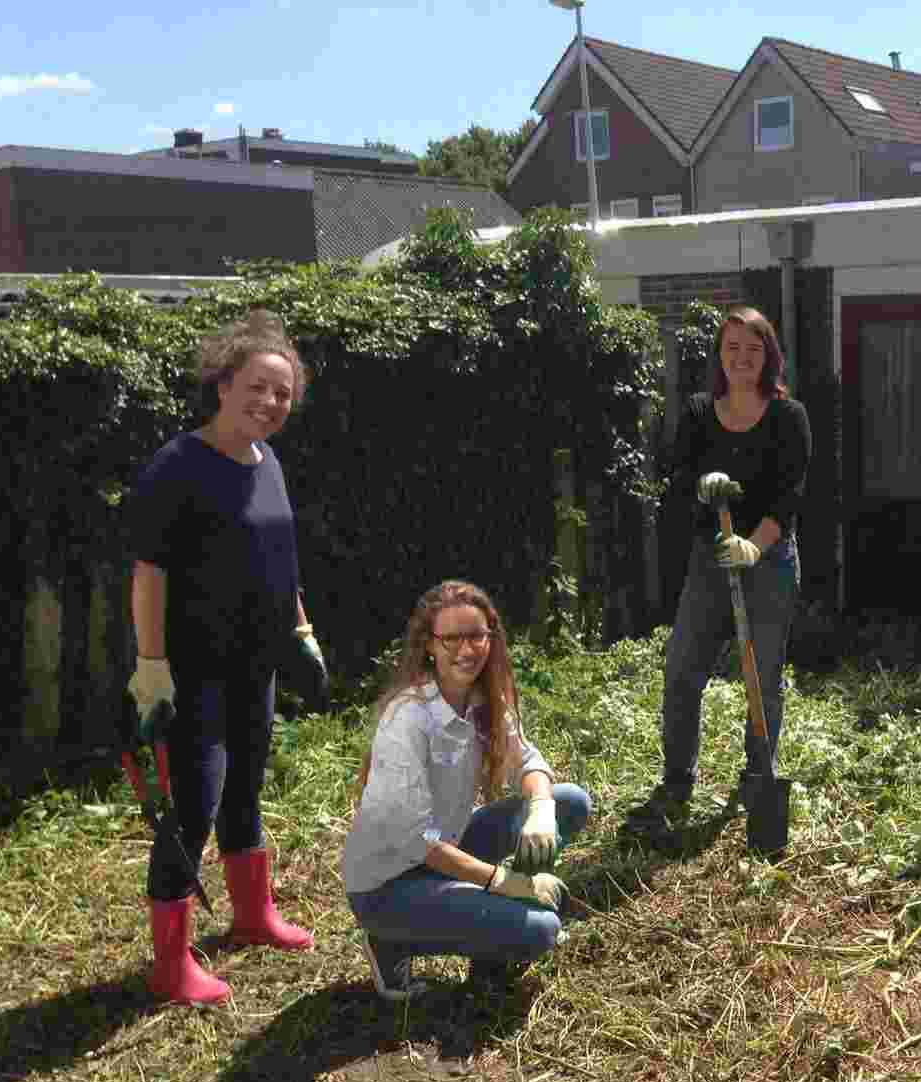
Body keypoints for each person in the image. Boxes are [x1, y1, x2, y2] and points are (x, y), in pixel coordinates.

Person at [127, 310, 326, 1007]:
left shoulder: (267, 463)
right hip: (195, 673)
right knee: (194, 807)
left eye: (283, 393)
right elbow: (148, 573)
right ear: (223, 384)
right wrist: (152, 667)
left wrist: (301, 631)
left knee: (245, 791)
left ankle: (252, 916)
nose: (271, 403)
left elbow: (279, 558)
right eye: (259, 387)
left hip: (256, 665)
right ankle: (171, 967)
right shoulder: (179, 466)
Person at [343, 580, 591, 999]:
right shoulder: (407, 719)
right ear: (429, 646)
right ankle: (392, 939)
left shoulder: (482, 700)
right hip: (390, 885)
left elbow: (527, 763)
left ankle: (493, 928)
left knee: (569, 801)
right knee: (542, 930)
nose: (467, 649)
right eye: (451, 638)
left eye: (476, 635)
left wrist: (541, 808)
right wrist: (501, 880)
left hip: (446, 847)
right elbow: (414, 840)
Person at [626, 306, 812, 832]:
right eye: (732, 348)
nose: (742, 358)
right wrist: (701, 489)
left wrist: (754, 546)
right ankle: (677, 780)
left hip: (769, 560)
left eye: (753, 349)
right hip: (711, 561)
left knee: (762, 675)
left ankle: (759, 777)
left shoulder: (788, 416)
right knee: (683, 668)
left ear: (768, 356)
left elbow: (789, 493)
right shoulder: (698, 412)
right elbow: (680, 473)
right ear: (720, 354)